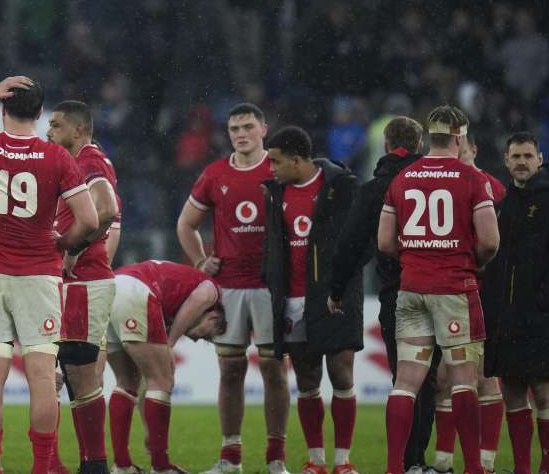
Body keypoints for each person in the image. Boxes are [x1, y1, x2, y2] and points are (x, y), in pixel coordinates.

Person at [0, 76, 98, 474]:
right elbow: (90, 219)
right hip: (40, 278)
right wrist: (63, 243)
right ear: (41, 113)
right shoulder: (56, 157)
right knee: (42, 376)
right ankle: (41, 468)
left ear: (4, 109)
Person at [378, 105, 500, 474]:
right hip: (454, 288)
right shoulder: (471, 179)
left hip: (412, 288)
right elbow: (491, 241)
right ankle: (473, 468)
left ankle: (394, 467)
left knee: (406, 382)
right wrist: (470, 261)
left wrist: (416, 258)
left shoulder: (402, 178)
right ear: (460, 136)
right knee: (464, 379)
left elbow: (384, 242)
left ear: (430, 135)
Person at [177, 103, 290, 474]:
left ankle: (276, 458)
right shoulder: (215, 174)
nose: (240, 134)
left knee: (274, 370)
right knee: (231, 371)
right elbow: (186, 224)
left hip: (272, 287)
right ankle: (231, 457)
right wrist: (199, 262)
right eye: (234, 129)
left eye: (247, 127)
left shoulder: (279, 171)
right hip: (230, 288)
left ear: (263, 129)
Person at [328, 117, 435, 474]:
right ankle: (427, 460)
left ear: (386, 145)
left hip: (399, 294)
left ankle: (406, 463)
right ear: (420, 145)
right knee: (437, 381)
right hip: (445, 291)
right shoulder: (438, 183)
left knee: (404, 380)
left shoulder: (376, 189)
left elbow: (351, 244)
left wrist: (337, 288)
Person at [482, 133, 549, 474]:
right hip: (506, 317)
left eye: (528, 155)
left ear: (540, 159)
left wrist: (542, 300)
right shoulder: (502, 203)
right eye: (516, 156)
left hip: (542, 317)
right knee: (512, 392)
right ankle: (523, 468)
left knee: (543, 391)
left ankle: (547, 469)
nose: (522, 162)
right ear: (506, 161)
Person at [262, 127, 360, 474]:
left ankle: (343, 461)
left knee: (341, 374)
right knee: (307, 380)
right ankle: (316, 461)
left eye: (275, 161)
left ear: (297, 160)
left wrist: (342, 287)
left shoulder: (341, 187)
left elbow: (359, 240)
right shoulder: (275, 193)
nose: (269, 167)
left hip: (334, 297)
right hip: (292, 299)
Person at [45, 101, 121, 474]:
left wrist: (73, 248)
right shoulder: (77, 163)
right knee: (76, 375)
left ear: (77, 130)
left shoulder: (90, 160)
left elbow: (106, 209)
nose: (49, 132)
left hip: (85, 282)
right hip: (78, 284)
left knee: (82, 374)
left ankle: (95, 465)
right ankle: (90, 463)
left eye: (56, 126)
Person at [427, 136, 508, 474]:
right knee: (446, 377)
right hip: (445, 291)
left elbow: (498, 244)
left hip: (482, 293)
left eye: (461, 151)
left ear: (473, 150)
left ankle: (484, 463)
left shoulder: (494, 189)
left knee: (484, 375)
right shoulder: (438, 184)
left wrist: (469, 265)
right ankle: (444, 461)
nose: (454, 157)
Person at [105, 260, 227, 474]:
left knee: (127, 383)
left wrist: (148, 428)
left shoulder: (172, 302)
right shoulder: (212, 291)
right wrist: (170, 343)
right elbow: (199, 298)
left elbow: (147, 386)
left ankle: (122, 465)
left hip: (111, 287)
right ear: (214, 316)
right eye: (206, 334)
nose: (197, 338)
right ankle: (161, 466)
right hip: (136, 290)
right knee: (162, 381)